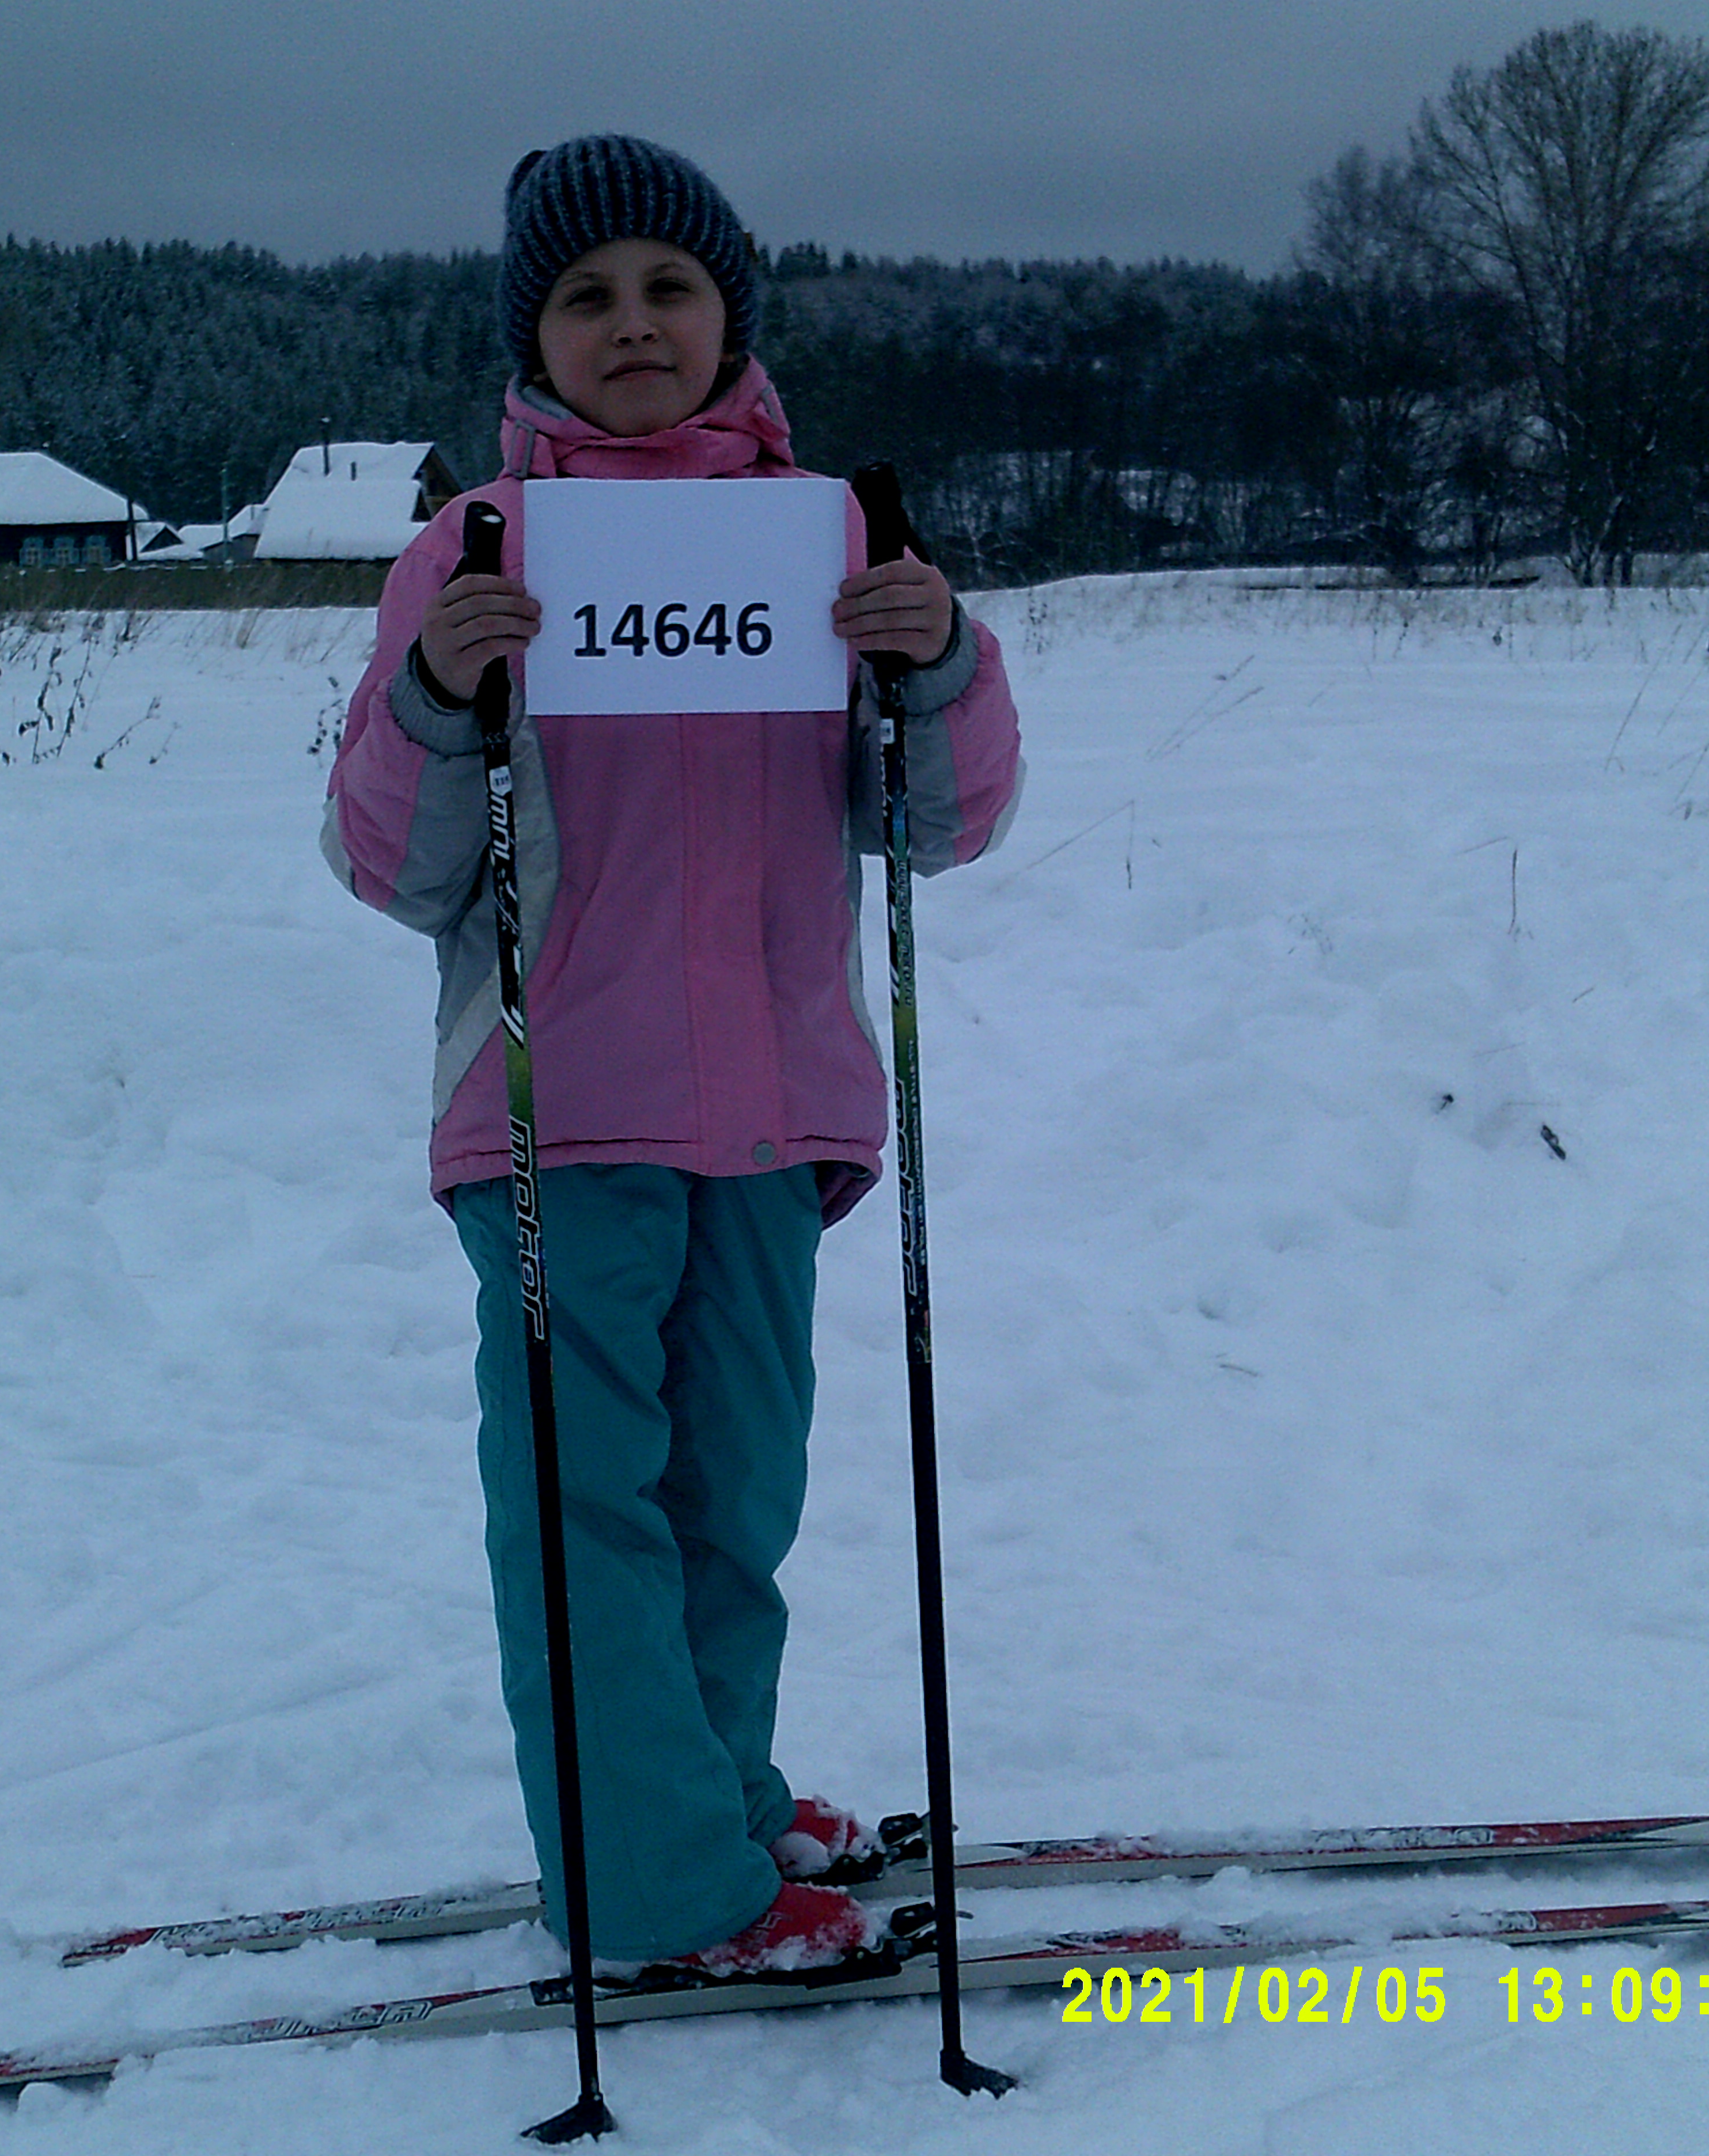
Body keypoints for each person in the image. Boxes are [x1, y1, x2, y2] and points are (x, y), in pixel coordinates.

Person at [321, 135, 1022, 1977]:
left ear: (729, 315)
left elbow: (936, 824)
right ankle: (657, 1890)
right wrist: (437, 697)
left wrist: (938, 663)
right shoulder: (473, 551)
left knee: (735, 1500)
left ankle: (713, 1796)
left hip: (774, 1121)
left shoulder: (828, 539)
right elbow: (392, 867)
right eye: (587, 296)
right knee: (588, 1517)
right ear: (532, 338)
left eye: (668, 287)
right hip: (558, 1116)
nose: (632, 324)